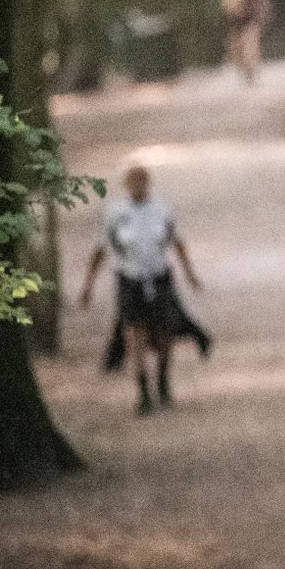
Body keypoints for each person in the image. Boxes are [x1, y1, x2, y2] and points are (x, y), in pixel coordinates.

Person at [79, 163, 208, 415]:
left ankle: (162, 379)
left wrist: (190, 275)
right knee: (133, 332)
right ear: (126, 185)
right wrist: (88, 284)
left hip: (159, 277)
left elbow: (177, 243)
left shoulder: (161, 209)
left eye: (141, 181)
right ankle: (142, 390)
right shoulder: (116, 213)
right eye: (133, 182)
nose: (137, 187)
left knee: (164, 331)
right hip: (129, 279)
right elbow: (101, 249)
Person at [223, 0, 271, 86]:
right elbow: (229, 5)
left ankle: (250, 71)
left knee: (249, 43)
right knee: (239, 46)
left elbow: (261, 2)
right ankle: (246, 69)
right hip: (236, 20)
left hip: (250, 18)